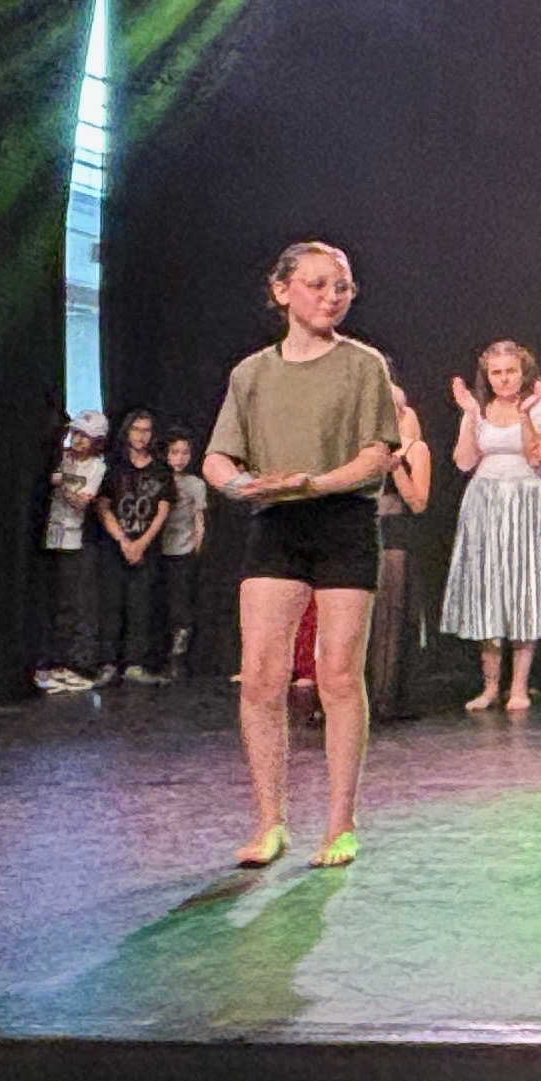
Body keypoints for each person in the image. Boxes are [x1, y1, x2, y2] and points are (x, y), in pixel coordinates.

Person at [196, 243, 398, 868]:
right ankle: (269, 823)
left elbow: (377, 455)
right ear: (281, 290)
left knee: (337, 675)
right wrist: (240, 485)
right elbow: (217, 457)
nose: (332, 296)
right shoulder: (251, 373)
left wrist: (314, 483)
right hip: (276, 523)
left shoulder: (363, 365)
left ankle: (340, 824)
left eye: (342, 287)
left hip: (343, 520)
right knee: (261, 675)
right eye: (317, 284)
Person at [446, 340, 541, 712]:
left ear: (523, 373)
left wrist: (528, 414)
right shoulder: (480, 409)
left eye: (510, 371)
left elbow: (538, 458)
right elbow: (463, 461)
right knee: (487, 589)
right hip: (484, 502)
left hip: (525, 500)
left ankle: (519, 687)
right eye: (496, 372)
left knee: (523, 588)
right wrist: (470, 414)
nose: (503, 379)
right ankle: (490, 686)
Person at [363, 379, 439, 721]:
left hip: (396, 536)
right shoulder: (360, 449)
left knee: (389, 618)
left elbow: (419, 503)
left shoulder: (414, 449)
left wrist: (395, 469)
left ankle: (386, 697)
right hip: (363, 533)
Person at [95, 409, 174, 682]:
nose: (141, 436)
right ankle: (108, 663)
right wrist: (123, 540)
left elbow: (163, 509)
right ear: (127, 432)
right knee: (112, 603)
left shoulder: (161, 470)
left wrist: (141, 543)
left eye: (146, 430)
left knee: (141, 605)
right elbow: (103, 506)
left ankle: (135, 663)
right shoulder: (114, 466)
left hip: (146, 546)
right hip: (115, 546)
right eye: (136, 429)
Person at [35, 412, 105, 692]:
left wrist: (62, 484)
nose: (78, 440)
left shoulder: (96, 467)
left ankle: (76, 665)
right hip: (51, 539)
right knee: (53, 604)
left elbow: (81, 502)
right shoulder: (62, 458)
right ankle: (51, 663)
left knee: (75, 605)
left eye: (84, 436)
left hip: (75, 541)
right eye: (75, 434)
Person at [158, 423, 210, 681]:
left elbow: (199, 519)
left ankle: (178, 657)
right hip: (158, 550)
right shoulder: (158, 480)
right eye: (174, 452)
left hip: (183, 551)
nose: (179, 458)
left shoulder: (195, 484)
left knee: (181, 605)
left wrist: (196, 549)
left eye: (184, 453)